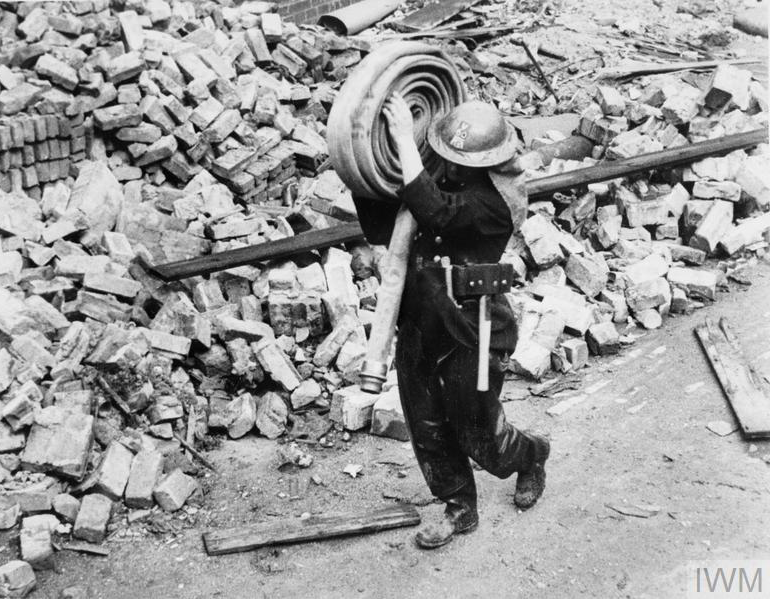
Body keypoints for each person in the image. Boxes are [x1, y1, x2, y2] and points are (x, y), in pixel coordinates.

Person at [351, 93, 551, 549]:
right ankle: (459, 507)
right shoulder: (440, 174)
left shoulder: (497, 203)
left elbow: (436, 209)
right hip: (422, 320)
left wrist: (403, 140)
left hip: (474, 328)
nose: (450, 167)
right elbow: (385, 218)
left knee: (479, 433)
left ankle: (531, 455)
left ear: (487, 162)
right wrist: (362, 156)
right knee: (427, 426)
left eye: (460, 161)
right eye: (446, 157)